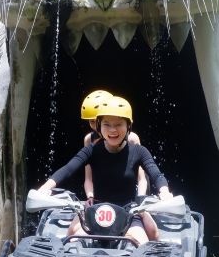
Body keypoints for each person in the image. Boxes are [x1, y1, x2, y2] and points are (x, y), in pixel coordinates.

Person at [39, 94, 171, 245]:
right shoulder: (91, 150)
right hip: (96, 209)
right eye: (107, 124)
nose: (112, 130)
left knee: (147, 238)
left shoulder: (139, 151)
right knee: (72, 238)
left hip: (129, 211)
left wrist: (165, 192)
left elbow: (156, 174)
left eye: (119, 124)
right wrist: (45, 187)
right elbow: (68, 169)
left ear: (128, 126)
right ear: (99, 126)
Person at [79, 90, 147, 204]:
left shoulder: (132, 139)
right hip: (102, 199)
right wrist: (90, 197)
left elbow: (142, 178)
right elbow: (88, 177)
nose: (96, 126)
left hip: (131, 198)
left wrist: (140, 201)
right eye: (92, 121)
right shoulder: (89, 140)